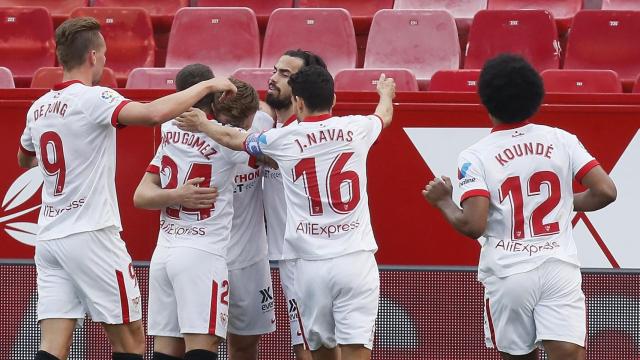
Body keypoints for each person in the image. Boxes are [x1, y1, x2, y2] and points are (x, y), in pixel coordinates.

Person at [17, 18, 235, 360]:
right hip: (92, 233)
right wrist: (205, 87)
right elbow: (151, 114)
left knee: (52, 344)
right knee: (131, 341)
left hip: (49, 236)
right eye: (103, 53)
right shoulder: (95, 98)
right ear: (92, 55)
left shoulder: (38, 108)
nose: (105, 60)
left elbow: (24, 158)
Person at [175, 65, 396, 360]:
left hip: (309, 264)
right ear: (333, 98)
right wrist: (385, 93)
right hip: (356, 259)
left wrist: (203, 124)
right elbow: (384, 115)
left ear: (299, 102)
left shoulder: (283, 139)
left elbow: (234, 139)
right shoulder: (356, 128)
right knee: (357, 351)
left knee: (318, 351)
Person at [422, 54, 617, 360]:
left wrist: (443, 202)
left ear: (485, 100)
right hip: (558, 266)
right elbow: (605, 191)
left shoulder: (476, 156)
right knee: (569, 354)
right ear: (535, 96)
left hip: (509, 273)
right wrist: (566, 204)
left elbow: (474, 225)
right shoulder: (561, 139)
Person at [133, 65, 249, 360]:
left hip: (165, 254)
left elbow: (141, 196)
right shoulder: (226, 137)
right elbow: (270, 157)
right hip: (202, 252)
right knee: (202, 346)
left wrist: (174, 195)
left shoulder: (169, 131)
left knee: (166, 350)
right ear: (214, 93)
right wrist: (181, 195)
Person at [261, 49, 328, 360]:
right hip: (296, 255)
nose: (273, 78)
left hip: (305, 256)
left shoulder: (293, 137)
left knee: (309, 348)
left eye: (285, 74)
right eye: (275, 70)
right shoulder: (278, 131)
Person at [210, 78, 277, 360]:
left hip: (250, 260)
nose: (235, 132)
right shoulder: (200, 137)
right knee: (202, 345)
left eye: (242, 125)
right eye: (227, 124)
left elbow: (266, 110)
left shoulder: (262, 121)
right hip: (209, 256)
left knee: (245, 346)